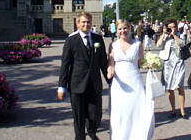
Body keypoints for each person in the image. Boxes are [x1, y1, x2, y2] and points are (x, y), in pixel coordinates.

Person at [58, 12, 109, 140]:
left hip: (94, 84)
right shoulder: (71, 40)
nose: (86, 24)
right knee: (79, 117)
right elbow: (65, 64)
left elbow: (103, 61)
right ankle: (80, 137)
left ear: (91, 23)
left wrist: (111, 81)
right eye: (83, 22)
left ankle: (92, 132)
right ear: (78, 23)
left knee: (95, 115)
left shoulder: (98, 38)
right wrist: (61, 87)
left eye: (88, 22)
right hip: (77, 85)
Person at [107, 20, 154, 140]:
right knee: (120, 113)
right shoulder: (114, 45)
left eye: (125, 28)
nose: (123, 31)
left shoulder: (138, 44)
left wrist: (150, 64)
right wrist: (110, 70)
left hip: (135, 83)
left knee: (136, 112)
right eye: (120, 29)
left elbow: (141, 62)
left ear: (130, 29)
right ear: (116, 31)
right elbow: (111, 63)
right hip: (119, 84)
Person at [157, 19, 188, 119]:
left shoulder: (181, 35)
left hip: (178, 63)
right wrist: (163, 34)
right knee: (170, 88)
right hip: (167, 64)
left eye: (173, 27)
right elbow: (158, 45)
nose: (172, 29)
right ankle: (173, 110)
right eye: (169, 27)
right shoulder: (165, 36)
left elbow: (182, 44)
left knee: (180, 86)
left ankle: (183, 111)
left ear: (176, 27)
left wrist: (174, 35)